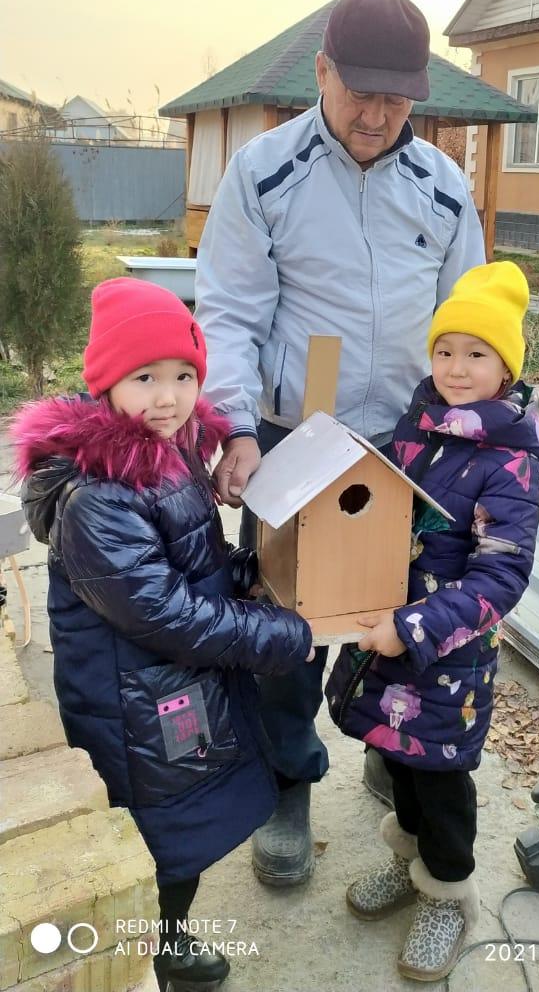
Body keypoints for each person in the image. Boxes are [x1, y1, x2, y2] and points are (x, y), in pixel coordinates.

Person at [194, 0, 486, 887]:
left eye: (396, 99)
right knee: (289, 626)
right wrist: (234, 428)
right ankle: (288, 781)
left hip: (412, 444)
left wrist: (482, 430)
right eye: (361, 93)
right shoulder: (263, 173)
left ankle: (392, 749)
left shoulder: (443, 186)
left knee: (400, 613)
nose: (376, 116)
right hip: (295, 436)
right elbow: (230, 311)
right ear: (321, 72)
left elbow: (469, 316)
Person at [11, 278, 313, 992]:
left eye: (183, 376)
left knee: (181, 835)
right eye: (144, 378)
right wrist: (277, 633)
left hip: (166, 687)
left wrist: (242, 574)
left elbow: (188, 565)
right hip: (132, 701)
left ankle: (164, 940)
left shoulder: (166, 451)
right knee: (162, 840)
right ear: (106, 382)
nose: (168, 397)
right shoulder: (98, 494)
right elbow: (162, 612)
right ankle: (154, 953)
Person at [324, 261, 539, 982]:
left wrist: (415, 628)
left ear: (506, 368)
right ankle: (409, 860)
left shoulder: (511, 462)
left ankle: (449, 894)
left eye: (476, 353)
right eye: (445, 350)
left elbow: (501, 576)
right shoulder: (416, 427)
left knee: (441, 775)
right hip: (388, 631)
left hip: (448, 656)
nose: (456, 367)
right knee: (398, 759)